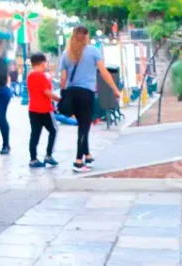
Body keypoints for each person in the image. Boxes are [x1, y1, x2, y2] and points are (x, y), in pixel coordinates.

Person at [60, 26, 120, 173]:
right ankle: (78, 161)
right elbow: (104, 72)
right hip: (86, 93)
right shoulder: (93, 51)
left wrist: (63, 94)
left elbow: (63, 79)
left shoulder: (66, 53)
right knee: (84, 128)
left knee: (82, 124)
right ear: (86, 36)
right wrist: (114, 89)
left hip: (72, 93)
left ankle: (87, 155)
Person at [27, 52, 59, 168]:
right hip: (44, 109)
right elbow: (47, 92)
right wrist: (59, 99)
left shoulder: (29, 76)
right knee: (53, 130)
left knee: (35, 134)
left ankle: (33, 158)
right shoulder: (42, 76)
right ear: (42, 63)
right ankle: (48, 155)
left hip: (33, 109)